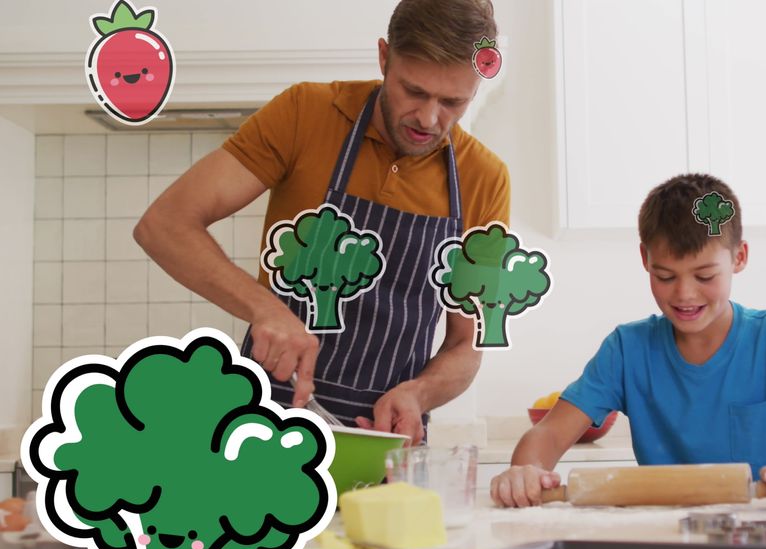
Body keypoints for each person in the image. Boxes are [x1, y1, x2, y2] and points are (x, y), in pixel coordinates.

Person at [133, 0, 509, 444]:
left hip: (386, 442)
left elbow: (467, 344)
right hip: (264, 432)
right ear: (384, 58)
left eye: (452, 102)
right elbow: (164, 224)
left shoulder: (484, 179)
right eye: (414, 91)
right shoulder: (305, 113)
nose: (429, 118)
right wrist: (266, 309)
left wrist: (418, 395)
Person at [489, 174, 766, 508]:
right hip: (668, 538)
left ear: (739, 257)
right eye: (665, 276)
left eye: (704, 275)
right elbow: (549, 434)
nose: (685, 294)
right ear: (645, 260)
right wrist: (525, 472)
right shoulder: (627, 351)